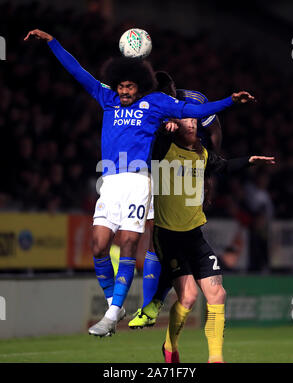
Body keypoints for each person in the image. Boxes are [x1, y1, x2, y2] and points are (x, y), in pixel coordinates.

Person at [24, 28, 255, 338]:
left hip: (137, 180)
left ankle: (110, 315)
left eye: (130, 86)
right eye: (121, 86)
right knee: (98, 246)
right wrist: (53, 44)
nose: (124, 92)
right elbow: (77, 71)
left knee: (130, 243)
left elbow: (195, 110)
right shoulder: (107, 98)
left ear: (140, 86)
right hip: (110, 182)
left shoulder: (156, 103)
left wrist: (230, 101)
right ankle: (114, 305)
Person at [137, 117, 275, 363]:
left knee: (218, 294)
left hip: (194, 237)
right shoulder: (163, 150)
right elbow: (155, 139)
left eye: (193, 121)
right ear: (175, 126)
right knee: (188, 297)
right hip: (168, 237)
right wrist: (163, 131)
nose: (191, 124)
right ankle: (170, 347)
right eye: (185, 121)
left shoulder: (202, 155)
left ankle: (215, 358)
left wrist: (250, 161)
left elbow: (224, 166)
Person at [129, 71, 222, 329]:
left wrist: (209, 176)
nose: (167, 98)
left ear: (174, 89)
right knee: (156, 232)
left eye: (170, 93)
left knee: (177, 232)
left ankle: (154, 304)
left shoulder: (191, 100)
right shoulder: (146, 105)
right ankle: (151, 305)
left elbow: (214, 128)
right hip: (156, 167)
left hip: (189, 167)